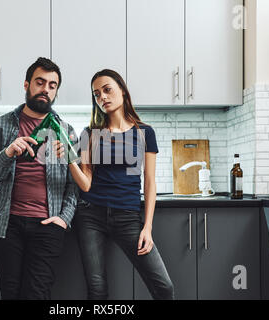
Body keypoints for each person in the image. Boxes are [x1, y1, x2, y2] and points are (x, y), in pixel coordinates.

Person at [55, 69, 174, 300]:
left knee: (164, 287)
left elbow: (149, 182)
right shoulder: (90, 134)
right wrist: (69, 159)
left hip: (128, 217)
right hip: (90, 216)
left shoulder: (144, 132)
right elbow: (86, 184)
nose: (102, 98)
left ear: (122, 90)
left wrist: (147, 227)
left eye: (107, 90)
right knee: (97, 291)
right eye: (96, 94)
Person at [0, 57, 78, 300]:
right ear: (27, 85)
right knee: (10, 293)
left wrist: (64, 218)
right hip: (7, 223)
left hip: (48, 225)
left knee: (37, 294)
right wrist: (8, 152)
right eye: (40, 82)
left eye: (52, 85)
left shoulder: (66, 130)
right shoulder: (1, 125)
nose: (45, 89)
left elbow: (75, 185)